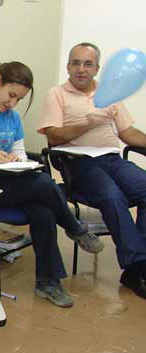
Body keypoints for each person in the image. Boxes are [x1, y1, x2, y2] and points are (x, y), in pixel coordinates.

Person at [0, 61, 104, 308]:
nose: (13, 104)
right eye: (11, 95)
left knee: (43, 210)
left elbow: (21, 153)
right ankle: (75, 228)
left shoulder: (12, 118)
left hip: (7, 184)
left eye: (19, 100)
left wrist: (17, 160)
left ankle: (48, 283)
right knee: (44, 184)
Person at [38, 42, 146, 299]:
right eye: (76, 63)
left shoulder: (111, 93)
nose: (81, 69)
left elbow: (128, 133)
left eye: (88, 64)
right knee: (112, 197)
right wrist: (88, 122)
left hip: (111, 159)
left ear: (97, 68)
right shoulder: (57, 94)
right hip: (78, 162)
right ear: (68, 66)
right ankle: (136, 268)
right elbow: (54, 137)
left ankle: (141, 262)